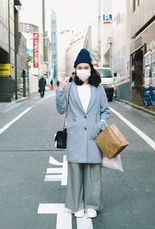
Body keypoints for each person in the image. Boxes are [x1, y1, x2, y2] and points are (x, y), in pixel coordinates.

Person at [56, 48, 110, 219]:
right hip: (75, 136)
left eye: (85, 67)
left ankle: (92, 205)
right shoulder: (70, 87)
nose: (82, 70)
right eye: (79, 67)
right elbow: (60, 109)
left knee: (93, 171)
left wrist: (100, 125)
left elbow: (105, 111)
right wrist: (60, 90)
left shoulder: (98, 89)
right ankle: (76, 205)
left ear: (91, 69)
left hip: (94, 135)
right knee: (75, 171)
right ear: (75, 69)